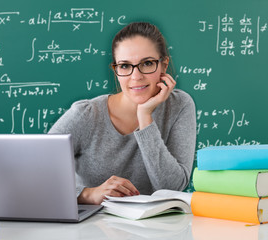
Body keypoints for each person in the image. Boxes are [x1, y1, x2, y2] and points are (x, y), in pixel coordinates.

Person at [49, 22, 196, 205]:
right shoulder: (86, 115)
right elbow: (35, 170)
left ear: (164, 65)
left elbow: (172, 188)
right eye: (125, 66)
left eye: (147, 63)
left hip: (156, 229)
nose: (136, 76)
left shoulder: (179, 105)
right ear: (116, 70)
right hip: (90, 228)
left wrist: (145, 117)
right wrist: (86, 194)